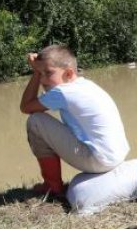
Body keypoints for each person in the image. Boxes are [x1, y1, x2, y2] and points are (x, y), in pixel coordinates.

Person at [19, 45, 130, 197]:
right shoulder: (85, 85)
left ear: (69, 73)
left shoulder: (63, 92)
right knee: (38, 119)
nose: (43, 79)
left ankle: (52, 186)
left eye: (48, 73)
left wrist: (35, 72)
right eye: (41, 74)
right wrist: (41, 71)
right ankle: (53, 184)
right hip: (116, 156)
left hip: (99, 161)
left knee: (35, 121)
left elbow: (26, 107)